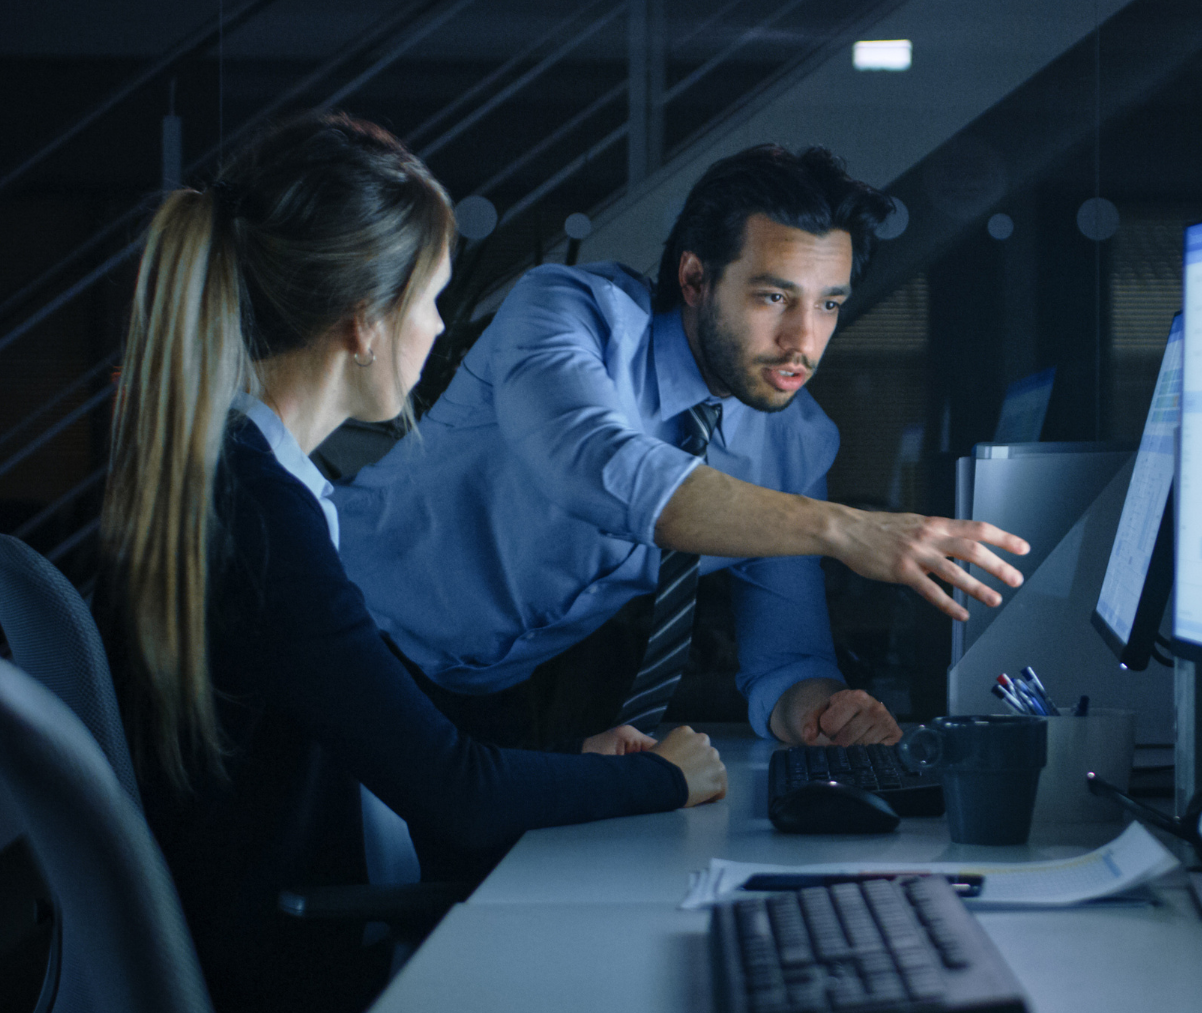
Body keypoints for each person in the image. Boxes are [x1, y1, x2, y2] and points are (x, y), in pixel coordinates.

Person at [94, 112, 727, 1013]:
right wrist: (664, 776)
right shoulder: (259, 512)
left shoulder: (236, 476)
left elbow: (408, 748)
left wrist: (576, 765)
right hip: (304, 961)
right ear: (362, 323)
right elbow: (454, 793)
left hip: (281, 923)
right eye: (430, 298)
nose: (438, 328)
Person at [334, 144, 1029, 750]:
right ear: (695, 279)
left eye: (828, 304)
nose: (804, 341)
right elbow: (598, 467)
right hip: (336, 629)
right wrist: (842, 528)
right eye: (774, 298)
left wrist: (823, 711)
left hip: (479, 696)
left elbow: (785, 655)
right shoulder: (567, 313)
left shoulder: (794, 442)